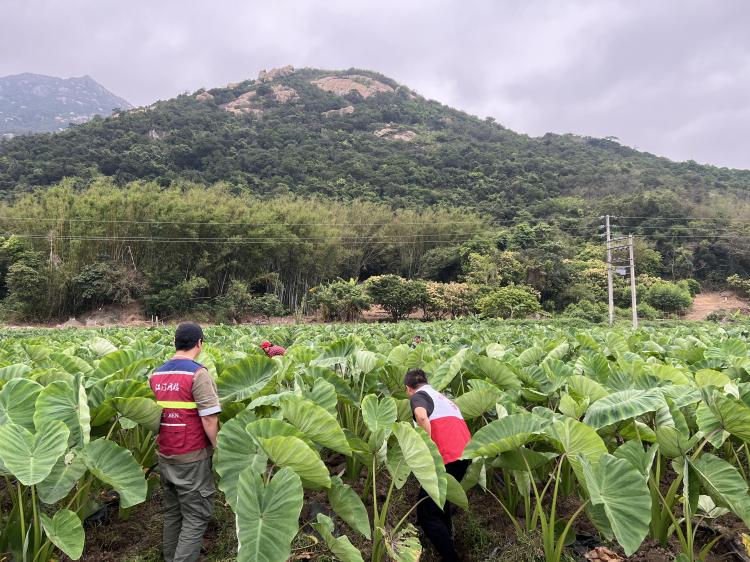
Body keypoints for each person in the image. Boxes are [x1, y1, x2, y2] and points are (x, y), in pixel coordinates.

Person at [149, 322, 221, 562]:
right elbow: (209, 418)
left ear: (175, 343)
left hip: (166, 455)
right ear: (199, 343)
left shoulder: (157, 374)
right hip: (191, 456)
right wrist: (219, 447)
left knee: (173, 513)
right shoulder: (197, 374)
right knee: (196, 515)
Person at [405, 368, 471, 562]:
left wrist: (428, 444)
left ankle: (450, 557)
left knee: (426, 513)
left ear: (408, 388)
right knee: (440, 499)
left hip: (448, 456)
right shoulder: (442, 397)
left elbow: (422, 416)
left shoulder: (419, 396)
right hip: (465, 454)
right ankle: (448, 540)